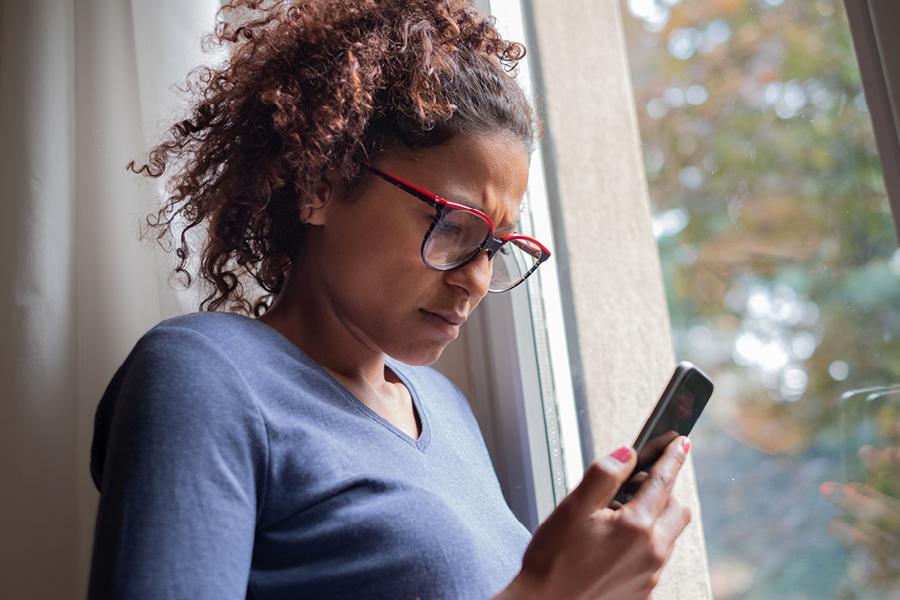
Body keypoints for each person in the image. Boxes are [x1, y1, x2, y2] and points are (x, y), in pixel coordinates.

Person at [87, 1, 693, 598]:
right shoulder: (206, 375)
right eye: (453, 226)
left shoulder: (443, 409)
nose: (477, 281)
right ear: (319, 186)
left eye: (496, 246)